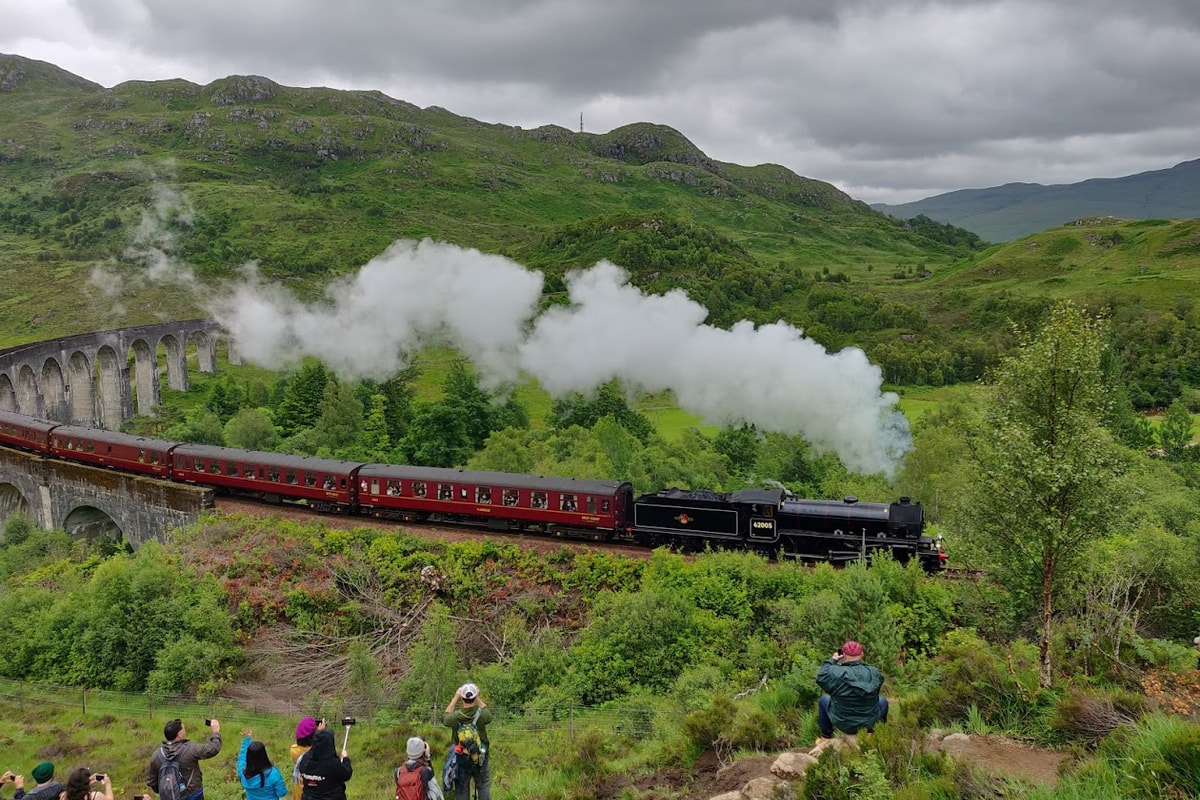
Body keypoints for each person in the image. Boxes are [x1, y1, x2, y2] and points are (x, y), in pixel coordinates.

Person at [815, 640, 889, 741]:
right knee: (883, 701)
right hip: (869, 722)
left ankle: (826, 737)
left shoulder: (835, 672)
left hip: (843, 722)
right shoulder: (874, 672)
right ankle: (873, 733)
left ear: (843, 655)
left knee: (824, 700)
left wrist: (833, 660)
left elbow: (821, 676)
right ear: (862, 654)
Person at [146, 718, 223, 800]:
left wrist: (168, 792)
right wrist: (215, 731)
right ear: (179, 734)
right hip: (193, 796)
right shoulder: (190, 749)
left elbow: (151, 781)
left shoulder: (157, 755)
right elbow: (213, 749)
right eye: (183, 728)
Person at [444, 682, 493, 800]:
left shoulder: (455, 717)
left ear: (462, 698)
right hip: (481, 756)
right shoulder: (481, 715)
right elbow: (488, 715)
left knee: (462, 788)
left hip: (462, 757)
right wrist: (477, 698)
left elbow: (445, 718)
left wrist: (456, 697)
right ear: (475, 696)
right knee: (483, 786)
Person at [296, 728, 351, 800]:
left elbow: (301, 772)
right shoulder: (333, 764)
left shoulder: (305, 759)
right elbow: (346, 774)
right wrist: (345, 759)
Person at [238, 730, 289, 800]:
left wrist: (246, 740)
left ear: (248, 756)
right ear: (264, 755)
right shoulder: (273, 774)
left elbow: (241, 758)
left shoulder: (243, 773)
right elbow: (282, 793)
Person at [289, 717, 322, 800]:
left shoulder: (294, 750)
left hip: (299, 789)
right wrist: (321, 733)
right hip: (313, 790)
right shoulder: (317, 751)